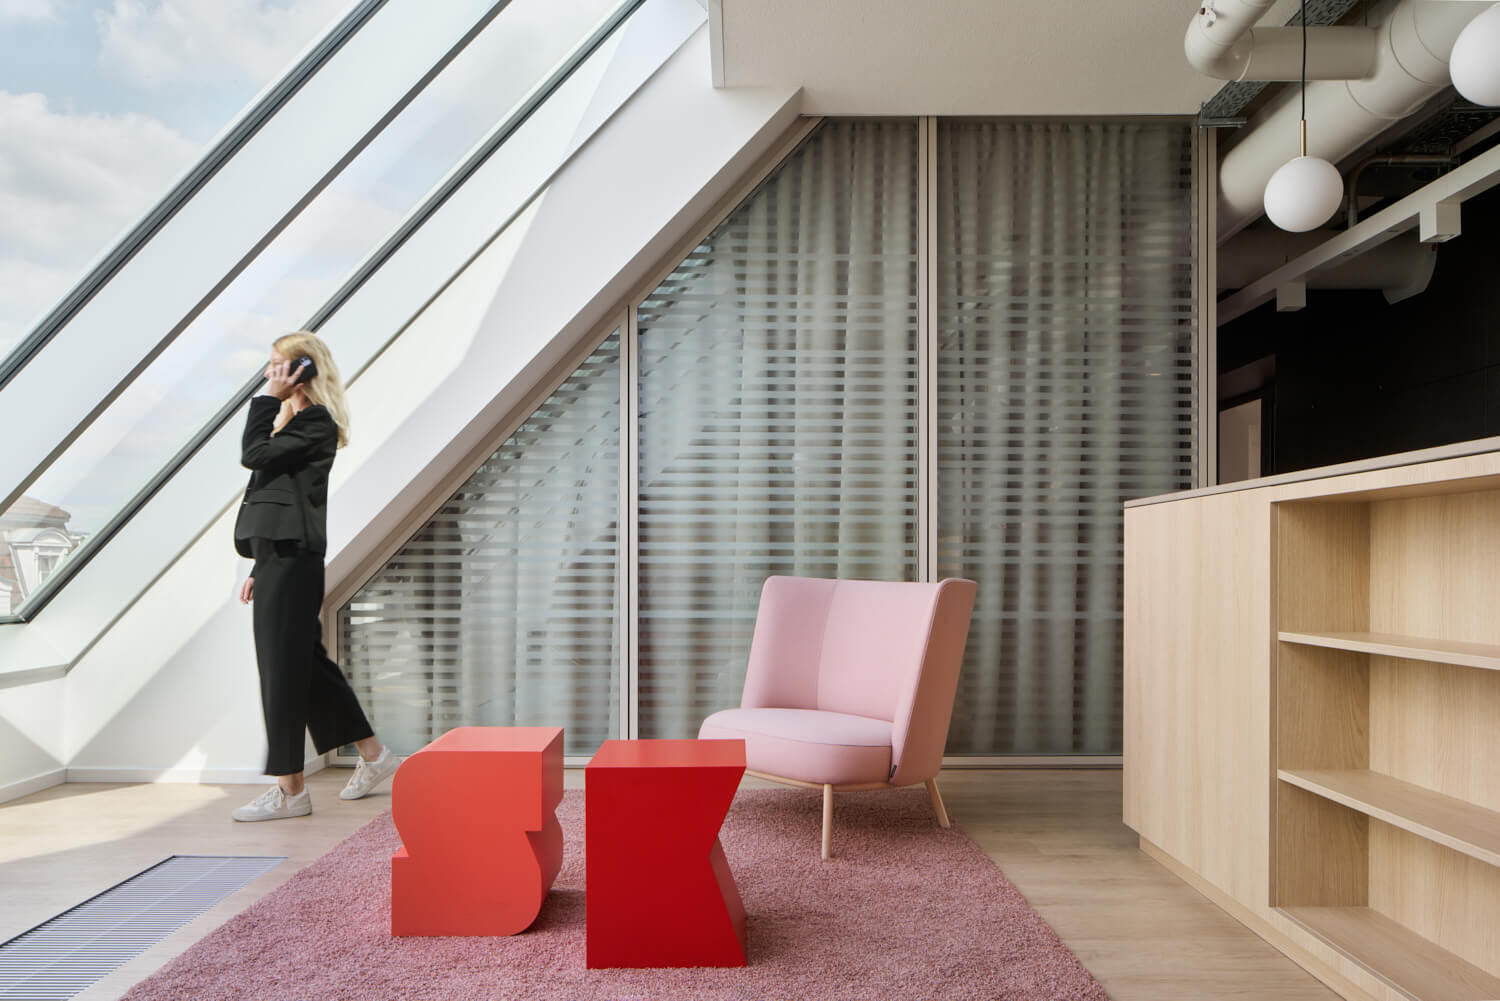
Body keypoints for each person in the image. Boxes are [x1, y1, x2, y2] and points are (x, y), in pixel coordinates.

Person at [230, 331, 399, 821]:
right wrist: (262, 565)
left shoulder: (316, 423)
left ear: (302, 369)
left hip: (294, 560)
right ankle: (373, 755)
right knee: (304, 665)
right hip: (280, 561)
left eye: (277, 366)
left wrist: (267, 401)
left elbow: (254, 457)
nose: (268, 374)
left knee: (281, 673)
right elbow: (280, 500)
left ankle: (290, 791)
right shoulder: (296, 424)